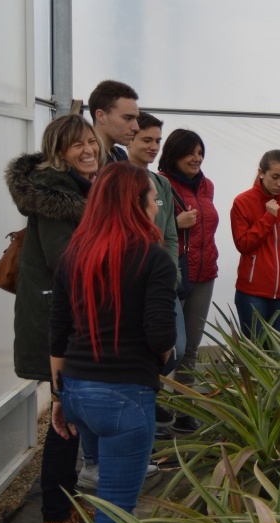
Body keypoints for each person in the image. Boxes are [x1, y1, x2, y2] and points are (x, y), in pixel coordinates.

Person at [49, 162, 177, 523]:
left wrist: (58, 397)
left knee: (105, 492)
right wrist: (165, 358)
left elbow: (58, 332)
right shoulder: (154, 260)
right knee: (116, 508)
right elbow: (161, 337)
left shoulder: (75, 256)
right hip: (125, 398)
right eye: (153, 200)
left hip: (77, 394)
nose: (157, 208)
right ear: (135, 205)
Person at [5, 114, 100, 523]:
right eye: (76, 145)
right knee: (66, 423)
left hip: (64, 319)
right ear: (57, 152)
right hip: (58, 324)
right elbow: (69, 266)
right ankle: (55, 518)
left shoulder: (76, 192)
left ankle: (66, 507)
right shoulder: (58, 201)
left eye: (91, 143)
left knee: (71, 418)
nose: (89, 151)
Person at [126, 112, 185, 442]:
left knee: (176, 344)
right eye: (146, 139)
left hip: (163, 278)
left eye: (157, 141)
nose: (153, 146)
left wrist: (171, 270)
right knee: (148, 346)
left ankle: (150, 402)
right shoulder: (118, 179)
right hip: (136, 281)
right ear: (131, 139)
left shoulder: (161, 183)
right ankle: (144, 409)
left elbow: (171, 234)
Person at [158, 129, 217, 434]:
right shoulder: (161, 184)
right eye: (190, 153)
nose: (196, 158)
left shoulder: (206, 185)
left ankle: (184, 410)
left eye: (200, 152)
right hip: (174, 275)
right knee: (169, 346)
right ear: (174, 154)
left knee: (191, 347)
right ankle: (154, 406)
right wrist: (174, 223)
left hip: (204, 274)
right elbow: (147, 227)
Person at [230, 150, 280, 341]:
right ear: (261, 172)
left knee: (277, 351)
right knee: (255, 351)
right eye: (275, 177)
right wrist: (268, 217)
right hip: (252, 292)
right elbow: (243, 244)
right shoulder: (243, 202)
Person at [87, 79, 139, 163]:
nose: (136, 128)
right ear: (101, 116)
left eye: (136, 119)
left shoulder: (120, 156)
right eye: (128, 118)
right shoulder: (84, 158)